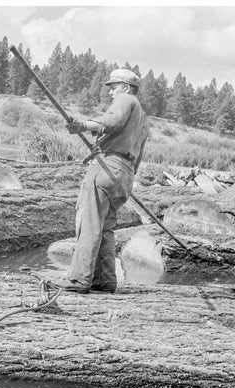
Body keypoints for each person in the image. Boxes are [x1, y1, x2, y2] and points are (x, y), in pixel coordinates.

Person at [56, 68, 149, 294]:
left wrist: (83, 125)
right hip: (124, 175)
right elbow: (138, 152)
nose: (110, 93)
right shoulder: (143, 119)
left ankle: (78, 279)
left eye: (113, 87)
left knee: (89, 223)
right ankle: (105, 280)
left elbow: (112, 121)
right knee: (105, 228)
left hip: (107, 168)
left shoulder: (126, 100)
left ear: (126, 88)